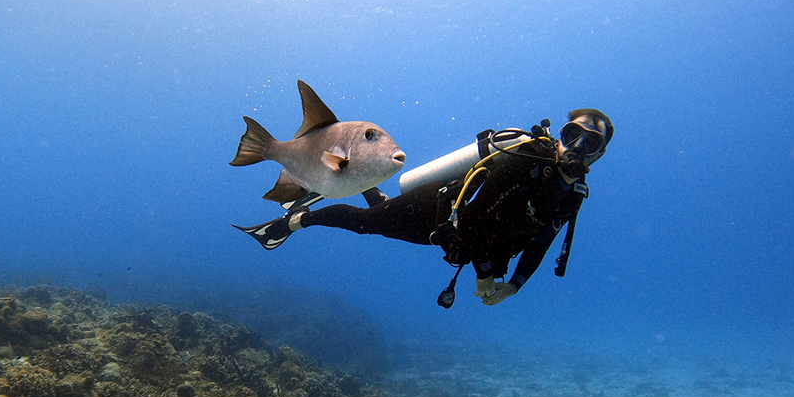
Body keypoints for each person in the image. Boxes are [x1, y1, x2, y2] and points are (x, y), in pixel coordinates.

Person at [234, 109, 613, 307]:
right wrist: (485, 273)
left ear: (600, 155)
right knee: (367, 223)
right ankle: (298, 220)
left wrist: (515, 284)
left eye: (590, 143)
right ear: (559, 137)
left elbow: (544, 239)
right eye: (571, 135)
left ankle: (367, 183)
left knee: (382, 214)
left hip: (453, 240)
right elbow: (477, 216)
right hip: (434, 210)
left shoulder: (573, 193)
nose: (577, 147)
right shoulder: (524, 159)